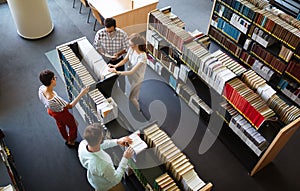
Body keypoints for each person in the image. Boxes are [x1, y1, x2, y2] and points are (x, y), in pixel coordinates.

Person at [38, 69, 89, 148]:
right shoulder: (54, 98)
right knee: (74, 125)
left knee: (60, 124)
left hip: (51, 110)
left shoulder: (41, 89)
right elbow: (70, 106)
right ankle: (71, 142)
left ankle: (65, 137)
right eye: (55, 78)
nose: (56, 79)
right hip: (61, 113)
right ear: (52, 80)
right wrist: (82, 93)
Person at [78, 123, 134, 191]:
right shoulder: (103, 164)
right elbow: (116, 179)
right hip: (109, 187)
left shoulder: (83, 145)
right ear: (100, 139)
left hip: (96, 182)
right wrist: (125, 158)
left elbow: (99, 145)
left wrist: (117, 141)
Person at [108, 33, 147, 111]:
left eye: (131, 45)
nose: (129, 46)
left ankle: (138, 110)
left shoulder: (142, 57)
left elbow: (131, 72)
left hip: (137, 78)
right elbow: (125, 60)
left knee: (131, 97)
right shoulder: (131, 49)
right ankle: (137, 96)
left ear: (136, 45)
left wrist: (117, 72)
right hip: (130, 75)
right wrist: (115, 66)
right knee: (134, 90)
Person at [93, 17, 129, 92]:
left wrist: (118, 54)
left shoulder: (122, 34)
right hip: (106, 60)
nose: (109, 33)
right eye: (107, 31)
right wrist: (104, 53)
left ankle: (123, 92)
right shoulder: (100, 33)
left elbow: (127, 48)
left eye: (111, 31)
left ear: (115, 27)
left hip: (119, 61)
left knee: (121, 78)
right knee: (107, 78)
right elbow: (97, 46)